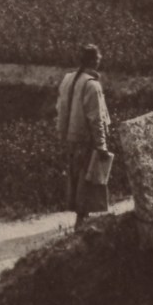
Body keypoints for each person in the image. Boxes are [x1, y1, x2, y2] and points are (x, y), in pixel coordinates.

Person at [56, 43, 112, 230]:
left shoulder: (68, 79)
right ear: (92, 61)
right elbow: (96, 119)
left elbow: (60, 109)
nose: (99, 60)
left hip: (71, 137)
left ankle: (82, 217)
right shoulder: (92, 85)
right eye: (97, 58)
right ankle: (82, 221)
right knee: (87, 179)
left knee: (76, 176)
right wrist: (102, 145)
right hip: (85, 138)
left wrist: (62, 134)